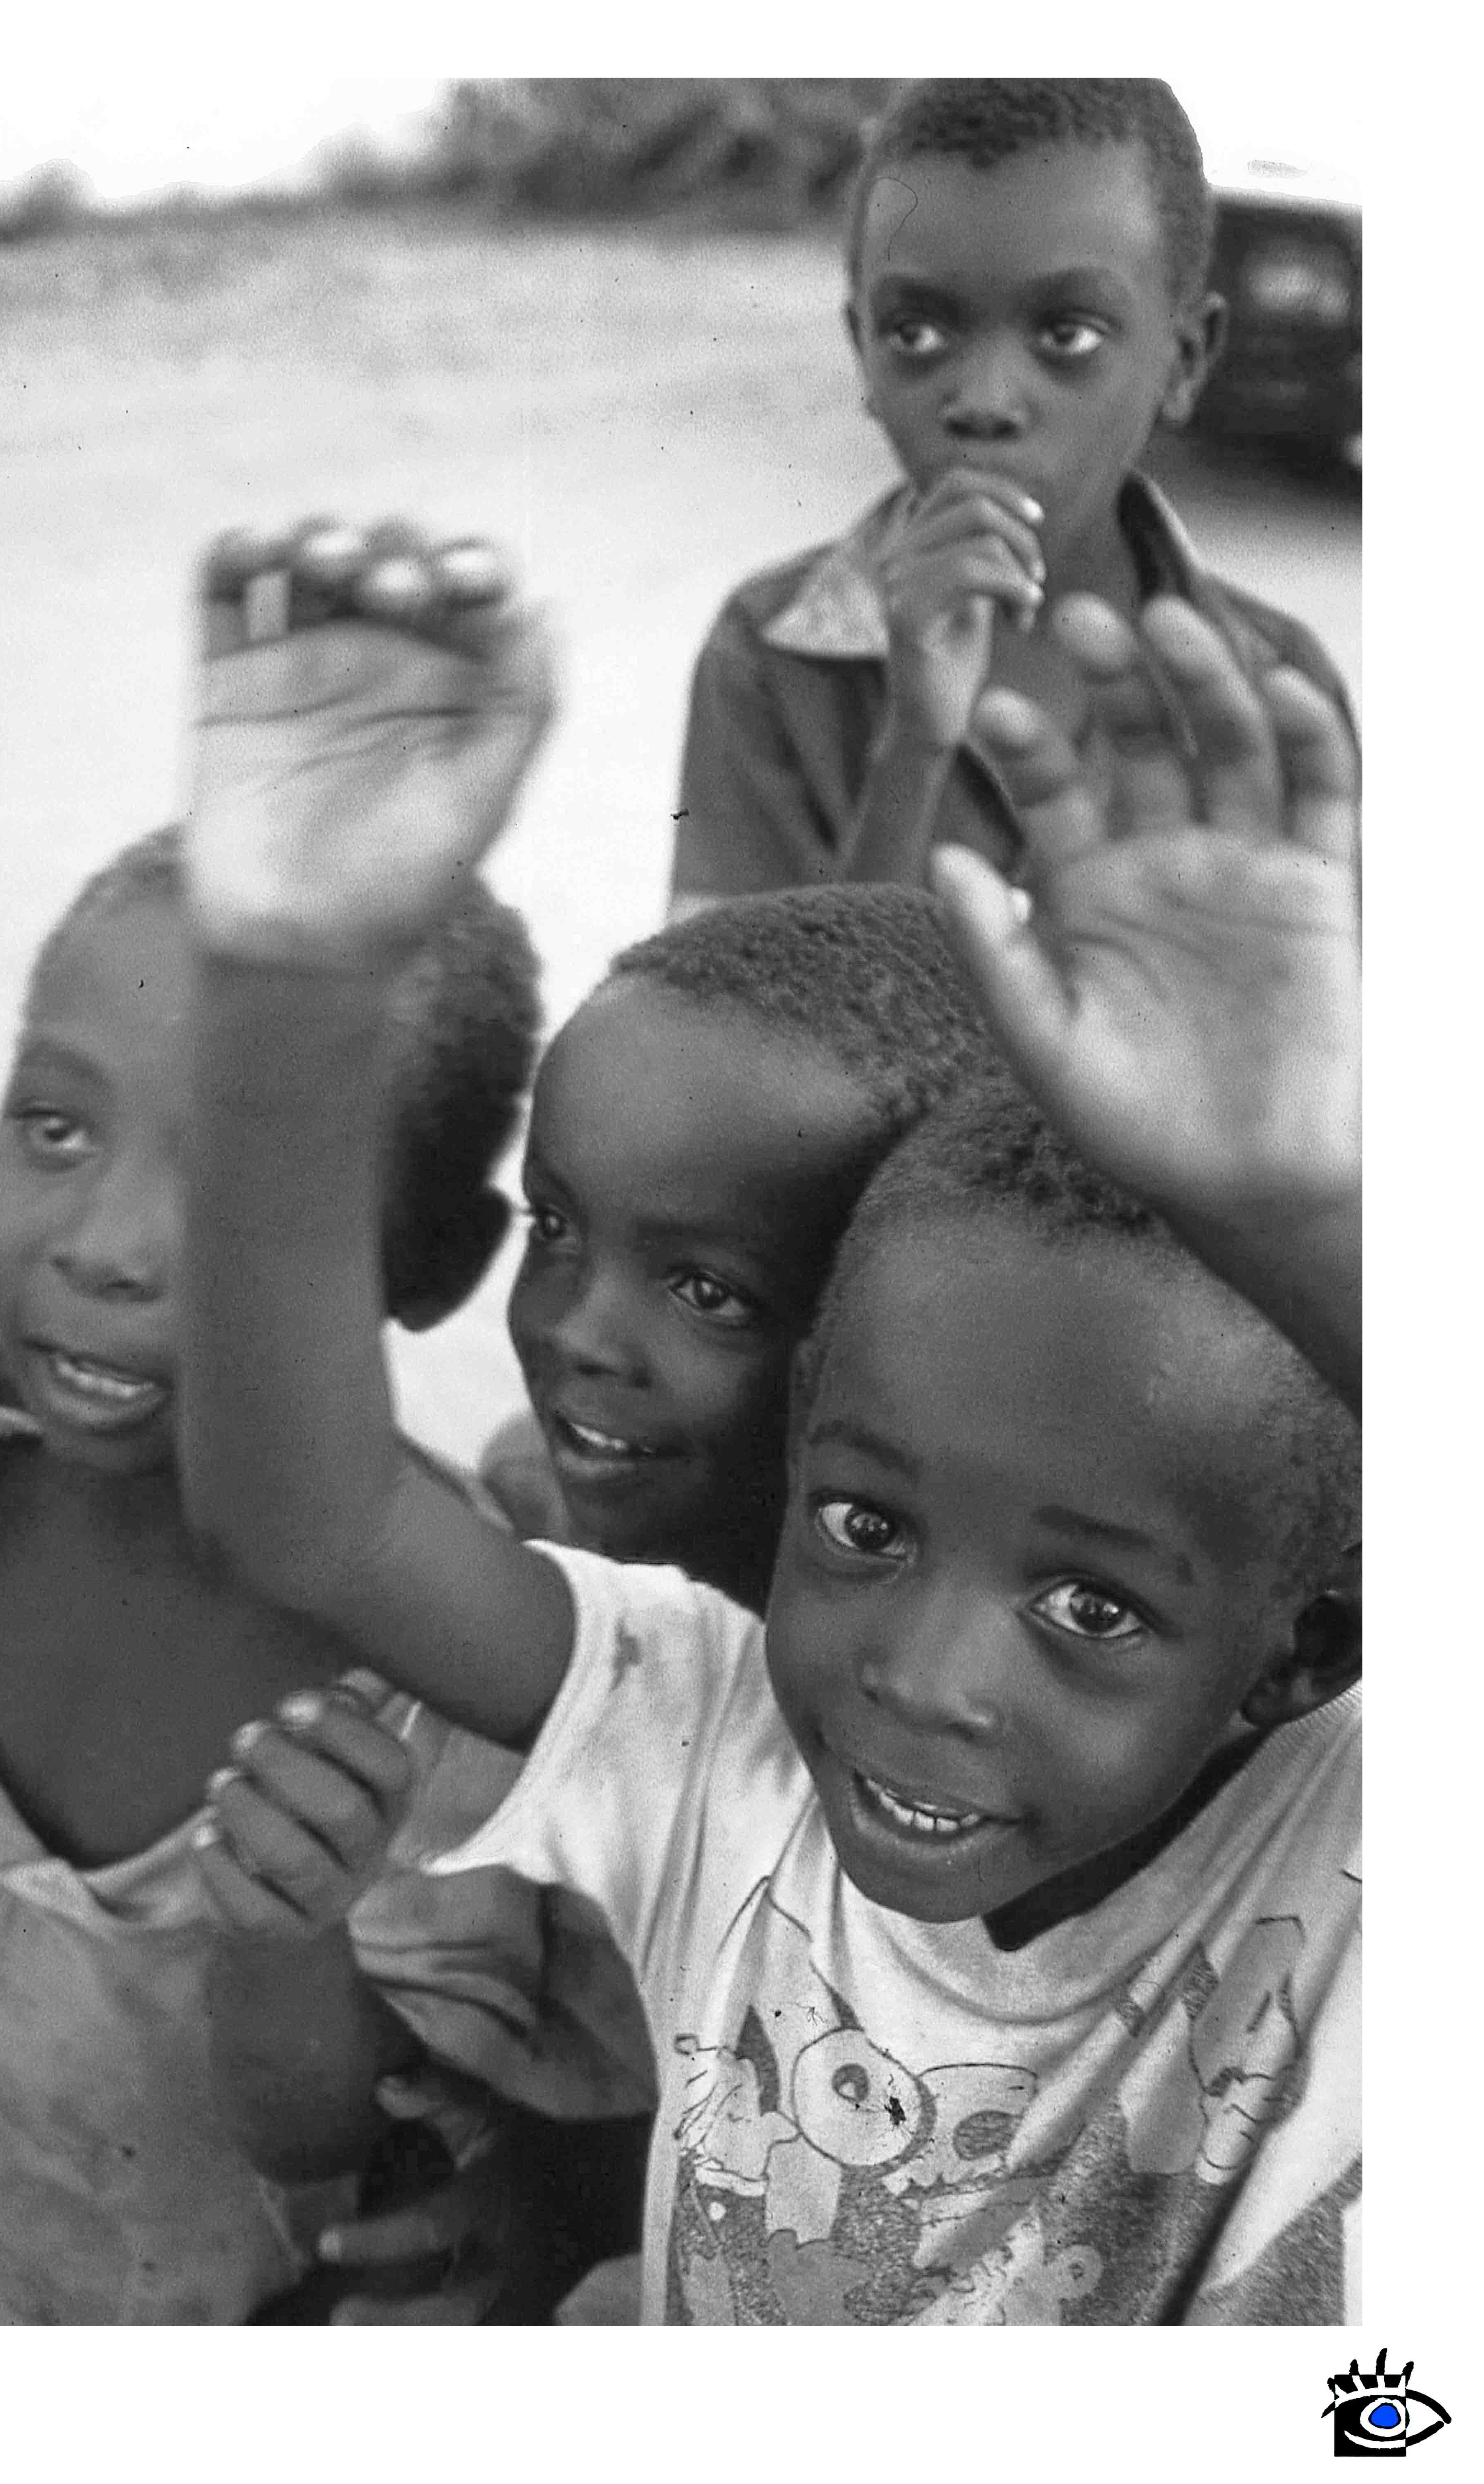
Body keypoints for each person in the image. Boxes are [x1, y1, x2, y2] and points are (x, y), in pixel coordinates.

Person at [181, 517, 1361, 2323]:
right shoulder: (731, 1741)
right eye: (865, 1527)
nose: (917, 1673)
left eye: (1090, 1609)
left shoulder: (1336, 1857)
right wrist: (291, 973)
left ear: (1301, 1653)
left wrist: (1298, 1206)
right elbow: (309, 1514)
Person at [0, 819, 649, 2325]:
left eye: (236, 1193)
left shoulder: (459, 1675)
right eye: (56, 1128)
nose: (108, 1248)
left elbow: (339, 2154)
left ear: (429, 1260)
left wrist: (291, 1927)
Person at [668, 76, 1355, 921]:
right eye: (915, 334)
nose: (986, 400)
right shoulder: (769, 659)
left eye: (1066, 335)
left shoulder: (1273, 690)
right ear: (862, 358)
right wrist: (911, 754)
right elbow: (721, 1045)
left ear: (1184, 361)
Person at [475, 879, 999, 1597]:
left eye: (706, 1292)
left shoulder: (860, 1689)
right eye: (555, 1226)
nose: (576, 1334)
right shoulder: (527, 1496)